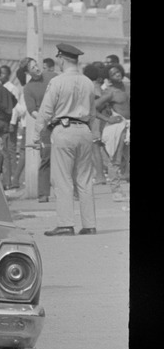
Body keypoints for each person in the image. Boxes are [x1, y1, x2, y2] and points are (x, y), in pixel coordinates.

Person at [33, 43, 98, 236]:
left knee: (63, 179)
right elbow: (93, 113)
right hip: (84, 130)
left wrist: (37, 134)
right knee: (85, 179)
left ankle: (65, 224)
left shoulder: (58, 81)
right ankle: (89, 225)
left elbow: (45, 111)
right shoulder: (88, 82)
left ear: (61, 59)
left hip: (64, 129)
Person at [95, 63, 130, 202]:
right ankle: (116, 190)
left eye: (118, 71)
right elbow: (93, 108)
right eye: (113, 73)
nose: (117, 74)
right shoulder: (110, 92)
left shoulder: (128, 87)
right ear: (108, 77)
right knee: (115, 159)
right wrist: (108, 119)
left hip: (129, 126)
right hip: (119, 127)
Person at [22, 57, 52, 202]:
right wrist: (44, 119)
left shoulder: (52, 77)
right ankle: (43, 193)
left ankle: (75, 191)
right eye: (33, 68)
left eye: (37, 65)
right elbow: (31, 110)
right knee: (46, 156)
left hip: (62, 119)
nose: (37, 68)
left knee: (67, 154)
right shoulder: (28, 88)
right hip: (45, 125)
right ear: (28, 72)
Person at [83, 64, 109, 185]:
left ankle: (100, 176)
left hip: (95, 120)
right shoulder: (99, 87)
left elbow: (95, 105)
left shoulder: (92, 87)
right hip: (100, 120)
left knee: (95, 148)